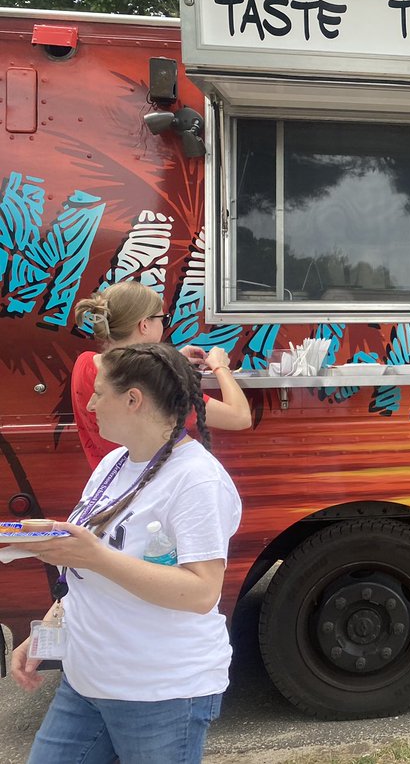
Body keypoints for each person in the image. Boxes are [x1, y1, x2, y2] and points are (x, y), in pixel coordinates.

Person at [6, 343, 242, 764]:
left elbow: (202, 592)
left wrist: (94, 555)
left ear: (133, 399)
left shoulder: (197, 480)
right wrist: (44, 633)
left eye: (100, 393)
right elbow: (86, 571)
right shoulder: (115, 461)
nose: (91, 403)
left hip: (158, 692)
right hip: (86, 682)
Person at [73, 282, 252, 468]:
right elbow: (240, 417)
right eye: (162, 318)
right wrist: (220, 366)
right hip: (152, 486)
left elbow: (125, 366)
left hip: (108, 483)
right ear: (144, 325)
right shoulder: (153, 383)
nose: (163, 324)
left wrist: (169, 361)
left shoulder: (84, 363)